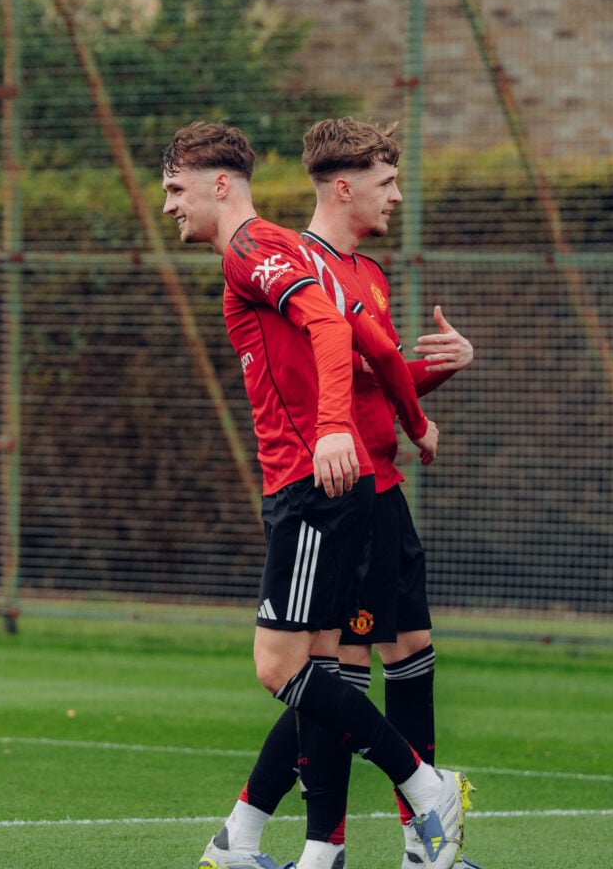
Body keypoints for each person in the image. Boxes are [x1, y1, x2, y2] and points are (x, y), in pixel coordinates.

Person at [161, 121, 471, 869]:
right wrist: (418, 414)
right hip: (331, 481)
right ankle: (281, 846)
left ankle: (422, 791)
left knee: (284, 669)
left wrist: (338, 428)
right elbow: (369, 346)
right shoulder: (298, 252)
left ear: (220, 185)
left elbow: (334, 333)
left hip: (312, 484)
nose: (168, 205)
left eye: (176, 189)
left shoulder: (253, 250)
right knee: (321, 667)